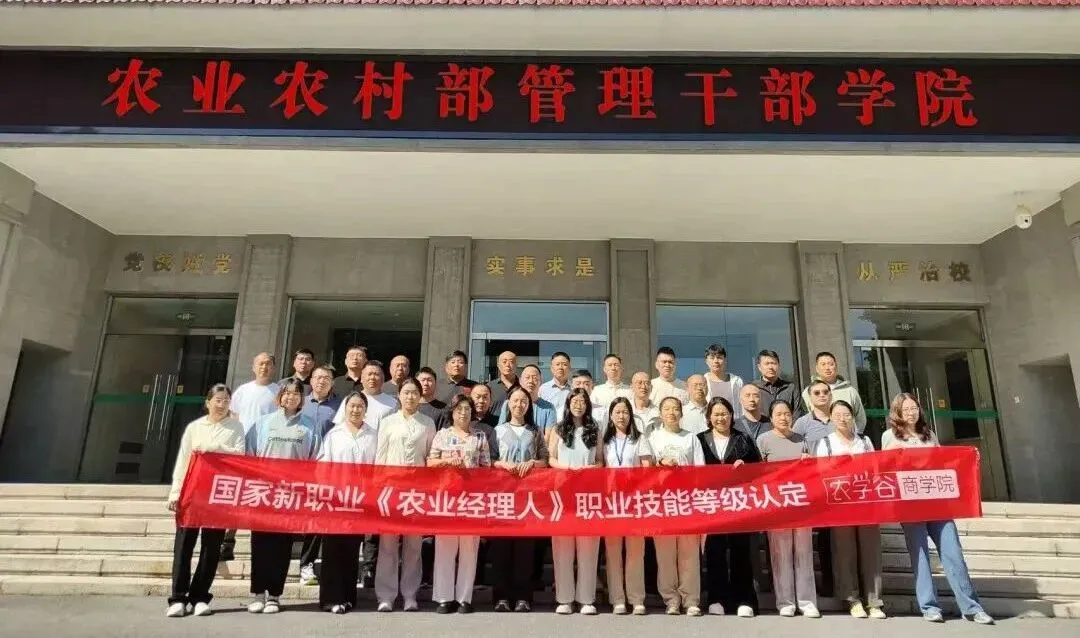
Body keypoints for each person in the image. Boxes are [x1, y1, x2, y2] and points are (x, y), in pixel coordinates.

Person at [882, 393, 995, 625]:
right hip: (910, 504)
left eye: (914, 408)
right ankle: (929, 606)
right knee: (920, 556)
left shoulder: (929, 434)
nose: (911, 413)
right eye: (906, 409)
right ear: (897, 412)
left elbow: (942, 462)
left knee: (953, 552)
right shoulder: (889, 436)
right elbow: (884, 468)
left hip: (937, 502)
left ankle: (971, 607)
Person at [165, 384, 245, 618]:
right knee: (184, 546)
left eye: (226, 401)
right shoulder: (195, 427)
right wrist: (175, 492)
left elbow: (239, 455)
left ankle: (200, 596)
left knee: (211, 547)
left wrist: (212, 448)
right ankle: (178, 597)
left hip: (218, 494)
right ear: (208, 402)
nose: (222, 405)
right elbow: (183, 461)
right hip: (192, 492)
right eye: (218, 400)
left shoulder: (236, 427)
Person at [244, 379, 318, 614]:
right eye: (286, 393)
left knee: (282, 547)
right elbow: (250, 456)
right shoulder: (262, 423)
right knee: (260, 545)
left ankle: (274, 595)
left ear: (301, 398)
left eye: (296, 393)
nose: (290, 397)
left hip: (291, 496)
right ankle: (258, 593)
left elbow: (314, 461)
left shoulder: (309, 426)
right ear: (280, 396)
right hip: (264, 494)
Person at [812, 400, 884, 619]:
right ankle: (852, 599)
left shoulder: (865, 441)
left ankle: (874, 600)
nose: (843, 419)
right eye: (838, 415)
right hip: (840, 505)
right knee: (845, 552)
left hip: (866, 503)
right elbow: (821, 473)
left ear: (853, 417)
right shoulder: (826, 443)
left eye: (846, 414)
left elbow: (875, 470)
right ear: (831, 419)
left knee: (871, 552)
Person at [374, 377, 436, 612]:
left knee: (413, 545)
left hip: (416, 491)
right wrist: (378, 488)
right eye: (406, 392)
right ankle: (386, 595)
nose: (410, 396)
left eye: (414, 393)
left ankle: (410, 594)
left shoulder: (427, 423)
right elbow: (380, 457)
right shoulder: (388, 422)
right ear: (398, 395)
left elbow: (430, 458)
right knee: (388, 544)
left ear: (420, 396)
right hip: (391, 489)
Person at [428, 394, 492, 614]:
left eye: (467, 409)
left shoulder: (479, 436)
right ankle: (444, 598)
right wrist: (447, 461)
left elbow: (486, 467)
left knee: (469, 549)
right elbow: (430, 462)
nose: (463, 413)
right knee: (445, 549)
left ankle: (464, 598)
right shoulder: (442, 435)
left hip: (472, 499)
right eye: (459, 409)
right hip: (447, 497)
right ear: (452, 412)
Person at [697, 397, 760, 618]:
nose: (721, 418)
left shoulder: (743, 439)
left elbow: (759, 469)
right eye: (716, 414)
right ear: (709, 417)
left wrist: (746, 466)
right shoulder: (700, 440)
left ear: (732, 415)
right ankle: (716, 599)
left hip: (738, 504)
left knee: (740, 551)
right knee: (715, 552)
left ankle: (744, 599)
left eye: (724, 413)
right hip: (712, 504)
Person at [316, 392, 378, 614]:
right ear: (345, 408)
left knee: (352, 550)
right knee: (333, 549)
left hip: (360, 501)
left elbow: (377, 467)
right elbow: (323, 466)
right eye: (352, 405)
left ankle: (349, 597)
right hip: (336, 501)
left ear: (365, 410)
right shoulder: (334, 434)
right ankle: (331, 598)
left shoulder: (373, 435)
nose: (355, 410)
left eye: (360, 406)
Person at [756, 400, 819, 618]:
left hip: (800, 504)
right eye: (779, 414)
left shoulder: (802, 440)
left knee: (804, 553)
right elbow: (757, 474)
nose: (784, 418)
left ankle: (807, 601)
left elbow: (813, 472)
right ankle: (785, 601)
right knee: (780, 554)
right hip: (776, 505)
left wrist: (809, 462)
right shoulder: (763, 440)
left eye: (787, 414)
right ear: (771, 418)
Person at [490, 384, 549, 613]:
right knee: (502, 549)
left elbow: (545, 460)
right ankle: (501, 597)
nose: (519, 405)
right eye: (515, 400)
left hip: (527, 498)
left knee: (525, 550)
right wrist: (502, 464)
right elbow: (489, 459)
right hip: (503, 496)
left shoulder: (535, 431)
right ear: (508, 404)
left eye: (523, 401)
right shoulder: (497, 431)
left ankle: (524, 596)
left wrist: (532, 463)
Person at [547, 388, 603, 615]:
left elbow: (600, 460)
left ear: (587, 405)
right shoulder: (559, 429)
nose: (578, 405)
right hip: (562, 493)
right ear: (568, 404)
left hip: (588, 494)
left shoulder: (594, 429)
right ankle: (564, 598)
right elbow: (550, 458)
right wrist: (567, 468)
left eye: (582, 401)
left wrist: (589, 469)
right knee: (563, 547)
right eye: (574, 401)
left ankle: (586, 598)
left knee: (588, 547)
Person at [649, 396, 704, 616]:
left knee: (689, 553)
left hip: (687, 501)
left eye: (675, 409)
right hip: (662, 502)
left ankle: (691, 599)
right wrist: (660, 463)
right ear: (660, 413)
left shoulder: (691, 438)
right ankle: (671, 599)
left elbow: (700, 469)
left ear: (682, 413)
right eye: (667, 408)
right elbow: (646, 469)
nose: (671, 412)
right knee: (665, 555)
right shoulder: (653, 437)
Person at [598, 397, 653, 616]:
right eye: (617, 412)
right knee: (613, 552)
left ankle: (637, 598)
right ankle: (617, 599)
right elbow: (600, 468)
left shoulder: (640, 439)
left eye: (625, 412)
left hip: (634, 501)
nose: (621, 416)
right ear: (610, 416)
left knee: (635, 552)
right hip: (611, 502)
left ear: (631, 415)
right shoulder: (605, 440)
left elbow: (647, 469)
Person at [222, 351, 279, 562]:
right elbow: (234, 418)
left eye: (268, 364)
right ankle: (228, 541)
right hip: (242, 452)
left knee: (264, 497)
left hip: (267, 453)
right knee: (238, 497)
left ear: (274, 368)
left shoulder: (279, 392)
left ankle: (265, 543)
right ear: (253, 367)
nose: (264, 367)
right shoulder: (243, 391)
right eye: (260, 363)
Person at [297, 364, 343, 585]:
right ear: (311, 380)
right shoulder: (300, 402)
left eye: (326, 378)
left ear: (332, 382)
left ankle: (308, 563)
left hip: (328, 469)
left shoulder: (340, 405)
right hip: (300, 467)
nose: (321, 381)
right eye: (318, 377)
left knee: (319, 517)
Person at [801, 351, 866, 433]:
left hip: (847, 438)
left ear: (836, 367)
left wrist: (855, 435)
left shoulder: (850, 390)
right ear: (817, 368)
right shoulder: (808, 392)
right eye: (823, 364)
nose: (827, 368)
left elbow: (860, 418)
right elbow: (805, 417)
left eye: (831, 364)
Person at [497, 363, 557, 431]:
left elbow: (549, 435)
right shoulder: (508, 404)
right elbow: (500, 430)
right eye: (527, 377)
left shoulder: (549, 408)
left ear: (541, 381)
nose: (530, 381)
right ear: (520, 381)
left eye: (535, 378)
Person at [751, 350, 804, 419]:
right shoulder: (754, 388)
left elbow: (798, 413)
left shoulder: (790, 388)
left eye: (773, 363)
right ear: (759, 367)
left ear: (779, 365)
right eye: (767, 364)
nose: (770, 367)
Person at [792, 379, 834, 450]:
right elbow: (793, 448)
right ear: (810, 397)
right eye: (817, 393)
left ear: (831, 396)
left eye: (825, 392)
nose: (822, 395)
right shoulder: (802, 423)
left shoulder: (841, 419)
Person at [539, 351, 572, 421]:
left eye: (564, 364)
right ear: (551, 368)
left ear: (569, 368)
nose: (560, 367)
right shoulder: (543, 389)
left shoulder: (574, 388)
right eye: (557, 364)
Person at [416, 366, 449, 430]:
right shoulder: (409, 406)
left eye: (429, 380)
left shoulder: (444, 409)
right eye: (422, 380)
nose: (426, 383)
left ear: (435, 384)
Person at [487, 350, 519, 415]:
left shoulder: (522, 386)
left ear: (516, 365)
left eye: (511, 362)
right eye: (504, 362)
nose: (508, 365)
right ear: (498, 365)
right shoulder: (489, 387)